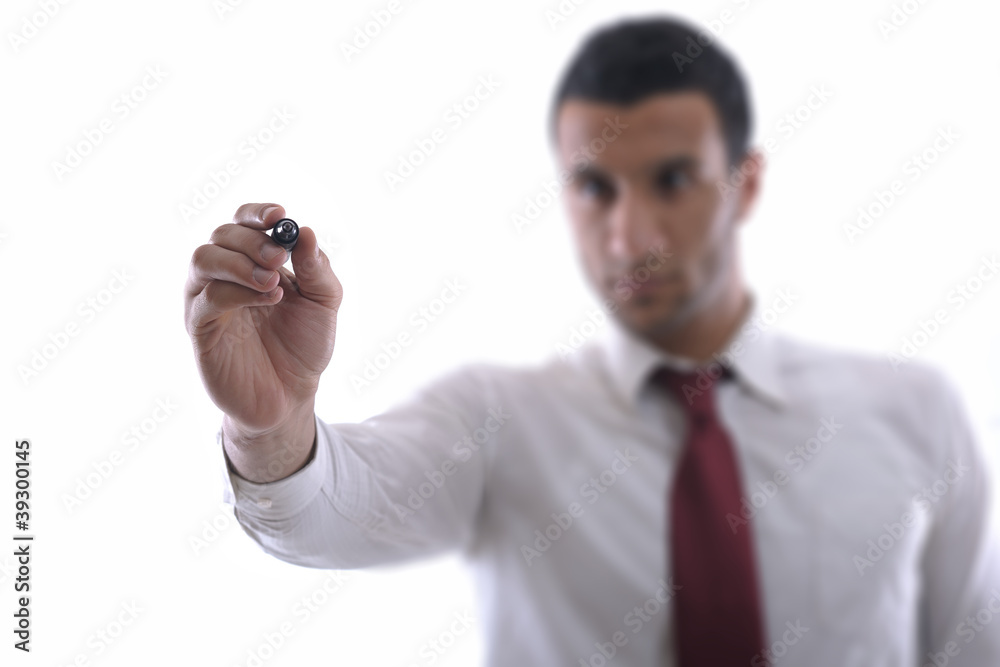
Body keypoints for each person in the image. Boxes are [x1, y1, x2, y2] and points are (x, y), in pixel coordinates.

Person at [183, 15, 1000, 666]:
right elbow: (329, 513)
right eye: (595, 186)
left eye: (672, 180)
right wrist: (271, 424)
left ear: (744, 183)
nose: (628, 234)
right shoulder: (502, 421)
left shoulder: (913, 413)